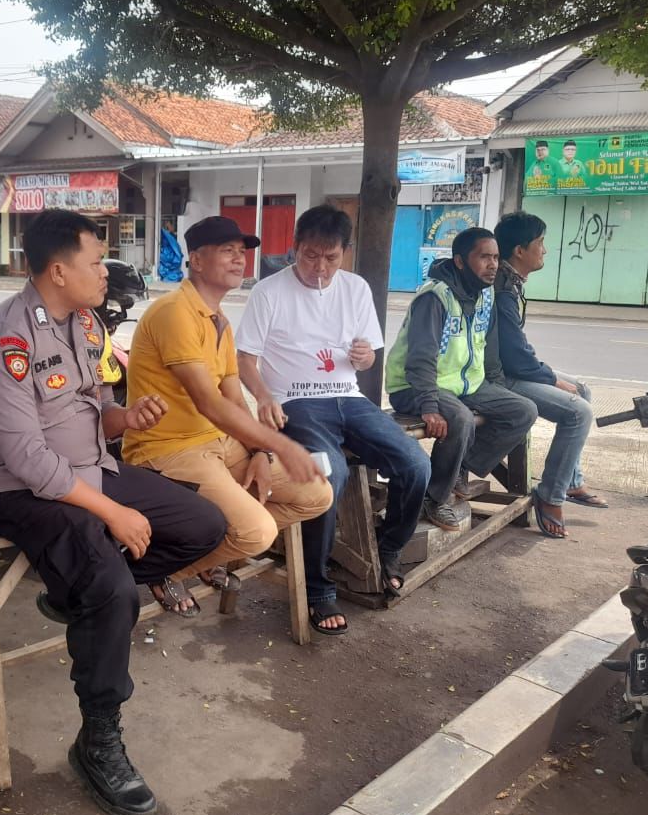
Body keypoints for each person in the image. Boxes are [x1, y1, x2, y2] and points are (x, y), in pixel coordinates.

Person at [0, 209, 226, 815]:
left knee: (204, 525)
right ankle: (99, 738)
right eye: (94, 262)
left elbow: (96, 410)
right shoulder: (4, 337)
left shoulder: (86, 324)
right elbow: (27, 459)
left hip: (91, 471)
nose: (106, 272)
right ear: (58, 271)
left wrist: (125, 419)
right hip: (15, 490)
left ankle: (79, 594)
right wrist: (113, 512)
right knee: (112, 586)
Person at [238, 206, 431, 628]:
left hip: (349, 398)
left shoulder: (356, 288)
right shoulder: (269, 292)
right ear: (295, 248)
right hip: (297, 401)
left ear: (346, 251)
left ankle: (388, 550)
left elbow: (367, 355)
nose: (320, 268)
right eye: (310, 256)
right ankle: (317, 587)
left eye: (331, 258)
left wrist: (364, 357)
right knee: (329, 474)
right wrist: (265, 397)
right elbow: (245, 359)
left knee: (416, 464)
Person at [122, 215, 332, 604]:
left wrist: (261, 452)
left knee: (317, 495)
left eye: (241, 252)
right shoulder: (174, 312)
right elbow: (210, 402)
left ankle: (205, 552)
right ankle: (163, 570)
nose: (239, 259)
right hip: (167, 449)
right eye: (227, 251)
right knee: (257, 533)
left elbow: (234, 398)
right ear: (197, 260)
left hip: (217, 443)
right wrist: (283, 446)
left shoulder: (220, 320)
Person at [385, 227, 537, 531]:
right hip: (415, 386)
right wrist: (429, 406)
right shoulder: (435, 297)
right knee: (461, 419)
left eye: (496, 257)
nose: (493, 265)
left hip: (463, 385)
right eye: (484, 257)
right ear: (459, 261)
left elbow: (489, 349)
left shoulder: (486, 294)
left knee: (523, 410)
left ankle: (457, 469)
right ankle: (434, 498)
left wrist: (497, 388)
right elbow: (420, 359)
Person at [494, 212, 608, 538]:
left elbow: (518, 348)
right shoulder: (503, 289)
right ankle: (550, 495)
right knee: (578, 411)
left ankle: (570, 482)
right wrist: (552, 379)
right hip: (499, 376)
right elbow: (515, 358)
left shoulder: (511, 283)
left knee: (582, 390)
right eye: (540, 243)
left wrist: (547, 375)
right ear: (520, 250)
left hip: (512, 366)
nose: (544, 250)